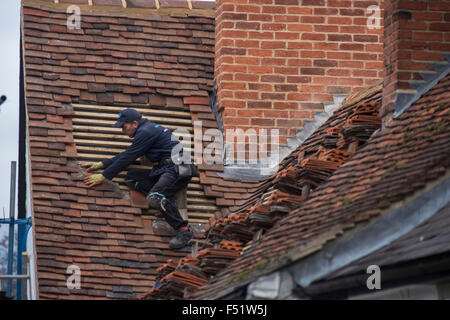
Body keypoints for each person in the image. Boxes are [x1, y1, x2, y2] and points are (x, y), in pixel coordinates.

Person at [84, 108, 194, 249]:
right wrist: (102, 164)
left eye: (124, 126)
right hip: (164, 170)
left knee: (154, 197)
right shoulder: (147, 130)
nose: (122, 131)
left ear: (135, 123)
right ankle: (167, 201)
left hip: (177, 169)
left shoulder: (146, 132)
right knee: (131, 178)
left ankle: (184, 230)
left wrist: (105, 175)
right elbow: (129, 153)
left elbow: (129, 156)